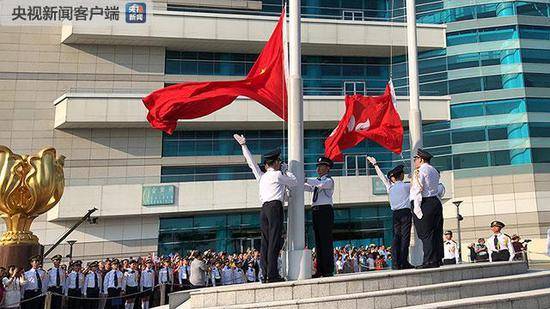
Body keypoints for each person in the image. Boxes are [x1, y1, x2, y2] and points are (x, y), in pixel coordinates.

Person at [234, 134, 297, 283]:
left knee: (266, 243)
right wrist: (286, 170)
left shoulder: (261, 176)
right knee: (274, 242)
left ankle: (265, 275)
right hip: (275, 208)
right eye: (279, 162)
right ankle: (273, 275)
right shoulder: (277, 174)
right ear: (275, 163)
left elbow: (251, 163)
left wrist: (244, 146)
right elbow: (294, 181)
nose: (280, 164)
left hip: (264, 209)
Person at [368, 157, 414, 270]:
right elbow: (418, 185)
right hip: (406, 213)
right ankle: (403, 262)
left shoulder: (390, 187)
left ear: (393, 177)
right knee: (405, 238)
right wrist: (413, 176)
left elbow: (382, 177)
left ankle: (395, 263)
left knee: (396, 238)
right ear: (402, 175)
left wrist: (375, 164)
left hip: (395, 214)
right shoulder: (407, 186)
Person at [410, 149, 445, 269]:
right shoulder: (434, 170)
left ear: (421, 159)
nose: (414, 161)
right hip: (435, 202)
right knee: (436, 233)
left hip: (424, 203)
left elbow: (417, 189)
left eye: (415, 159)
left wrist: (417, 207)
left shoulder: (419, 171)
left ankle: (429, 261)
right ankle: (437, 259)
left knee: (426, 234)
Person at [305, 156, 335, 278]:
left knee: (326, 241)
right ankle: (320, 269)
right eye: (318, 166)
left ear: (327, 168)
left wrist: (305, 179)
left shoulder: (328, 181)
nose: (318, 169)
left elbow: (320, 185)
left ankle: (328, 269)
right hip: (316, 211)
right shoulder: (316, 181)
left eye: (321, 166)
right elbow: (309, 187)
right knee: (318, 241)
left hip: (325, 211)